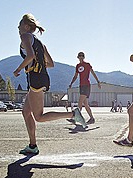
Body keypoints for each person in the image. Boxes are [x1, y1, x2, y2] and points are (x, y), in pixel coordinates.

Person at [13, 13, 86, 156]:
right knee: (26, 112)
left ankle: (73, 113)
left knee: (39, 116)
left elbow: (30, 56)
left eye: (20, 25)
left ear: (26, 26)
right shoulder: (40, 43)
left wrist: (18, 69)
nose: (18, 28)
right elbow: (51, 64)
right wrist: (37, 64)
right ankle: (32, 145)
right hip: (42, 77)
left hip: (35, 80)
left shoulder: (25, 36)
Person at [68, 51, 101, 124]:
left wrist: (98, 81)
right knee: (85, 104)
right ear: (78, 57)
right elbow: (75, 76)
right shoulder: (77, 66)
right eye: (79, 56)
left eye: (82, 56)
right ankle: (92, 118)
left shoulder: (87, 65)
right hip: (81, 86)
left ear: (84, 57)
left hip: (86, 85)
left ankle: (75, 118)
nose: (81, 57)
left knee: (80, 102)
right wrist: (71, 83)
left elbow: (93, 73)